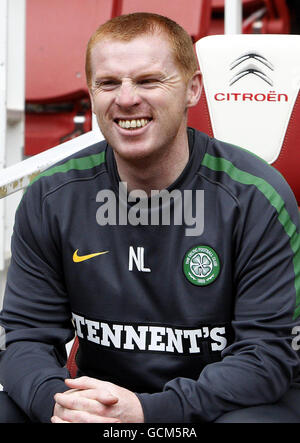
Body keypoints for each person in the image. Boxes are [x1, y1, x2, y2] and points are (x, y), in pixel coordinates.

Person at [0, 12, 300, 424]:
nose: (126, 99)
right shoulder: (51, 197)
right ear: (91, 93)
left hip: (217, 408)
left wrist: (148, 412)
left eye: (148, 80)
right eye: (108, 83)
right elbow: (24, 338)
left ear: (193, 89)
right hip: (101, 402)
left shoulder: (256, 198)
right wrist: (58, 405)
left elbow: (266, 357)